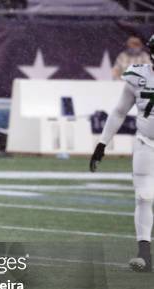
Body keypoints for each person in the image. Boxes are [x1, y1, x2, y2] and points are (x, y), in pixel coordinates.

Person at [90, 34, 154, 272]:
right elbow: (118, 112)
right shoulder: (138, 76)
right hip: (146, 143)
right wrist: (102, 143)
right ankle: (144, 253)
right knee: (144, 197)